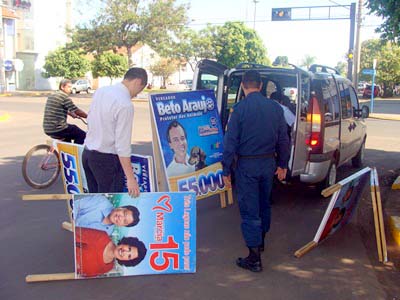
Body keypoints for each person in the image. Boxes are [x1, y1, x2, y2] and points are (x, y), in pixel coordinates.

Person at [222, 70, 290, 272]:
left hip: (247, 166)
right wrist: (283, 165)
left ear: (243, 85)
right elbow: (284, 139)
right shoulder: (276, 109)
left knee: (250, 210)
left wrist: (226, 169)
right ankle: (260, 242)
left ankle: (254, 258)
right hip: (268, 164)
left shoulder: (239, 109)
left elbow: (230, 142)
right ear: (260, 86)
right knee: (264, 205)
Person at [82, 68, 147, 196]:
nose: (137, 94)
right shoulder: (125, 104)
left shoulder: (101, 91)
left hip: (88, 155)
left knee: (95, 203)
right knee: (109, 206)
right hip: (106, 161)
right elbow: (122, 145)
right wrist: (130, 178)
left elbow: (91, 119)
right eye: (141, 89)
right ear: (138, 82)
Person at [75, 227, 147, 277]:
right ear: (126, 243)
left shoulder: (108, 267)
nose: (125, 252)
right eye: (129, 248)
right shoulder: (102, 236)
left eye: (129, 256)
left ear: (126, 261)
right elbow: (72, 233)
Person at [42, 79, 87, 144]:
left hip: (47, 128)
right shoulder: (64, 97)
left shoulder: (53, 95)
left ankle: (66, 153)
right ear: (62, 87)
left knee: (68, 139)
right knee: (81, 134)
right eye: (68, 87)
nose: (70, 89)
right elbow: (77, 111)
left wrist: (71, 114)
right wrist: (88, 116)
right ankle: (76, 153)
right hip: (58, 129)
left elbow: (58, 108)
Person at [73, 194, 140, 235]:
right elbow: (74, 205)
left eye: (124, 221)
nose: (120, 217)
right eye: (124, 213)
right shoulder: (101, 201)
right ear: (121, 207)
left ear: (121, 225)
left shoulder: (106, 234)